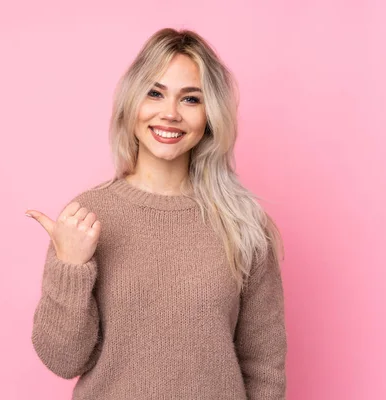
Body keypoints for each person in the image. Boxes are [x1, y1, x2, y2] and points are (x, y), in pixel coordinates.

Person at [25, 27, 287, 400]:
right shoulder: (87, 216)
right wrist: (70, 266)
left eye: (191, 99)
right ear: (132, 102)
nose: (170, 114)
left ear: (210, 115)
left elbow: (264, 367)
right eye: (155, 93)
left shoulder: (243, 223)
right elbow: (62, 360)